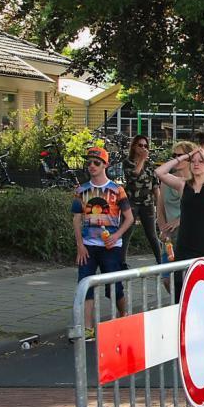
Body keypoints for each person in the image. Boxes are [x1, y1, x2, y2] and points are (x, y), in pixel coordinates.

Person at [72, 146, 135, 340]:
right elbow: (76, 219)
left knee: (114, 287)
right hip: (88, 246)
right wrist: (80, 245)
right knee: (85, 285)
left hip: (111, 247)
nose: (92, 166)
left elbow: (129, 218)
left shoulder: (117, 190)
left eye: (96, 163)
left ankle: (124, 315)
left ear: (105, 165)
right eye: (89, 162)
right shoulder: (81, 190)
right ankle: (88, 327)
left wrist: (117, 236)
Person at [155, 146, 204, 264]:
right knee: (182, 275)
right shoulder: (183, 184)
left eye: (201, 161)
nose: (196, 164)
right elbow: (159, 172)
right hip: (185, 245)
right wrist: (185, 156)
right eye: (193, 161)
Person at [121, 134, 162, 267]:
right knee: (126, 233)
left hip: (147, 203)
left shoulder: (150, 165)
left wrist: (159, 205)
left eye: (145, 146)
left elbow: (155, 186)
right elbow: (134, 175)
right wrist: (142, 160)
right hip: (131, 202)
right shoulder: (128, 162)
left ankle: (161, 261)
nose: (143, 148)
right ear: (134, 146)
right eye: (140, 145)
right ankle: (121, 263)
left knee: (152, 234)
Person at [156, 140, 196, 259]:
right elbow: (160, 209)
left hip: (189, 234)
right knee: (167, 268)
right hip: (170, 236)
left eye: (180, 155)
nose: (177, 159)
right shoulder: (167, 180)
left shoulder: (197, 182)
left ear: (189, 157)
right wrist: (163, 230)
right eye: (175, 156)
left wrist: (179, 220)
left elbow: (198, 210)